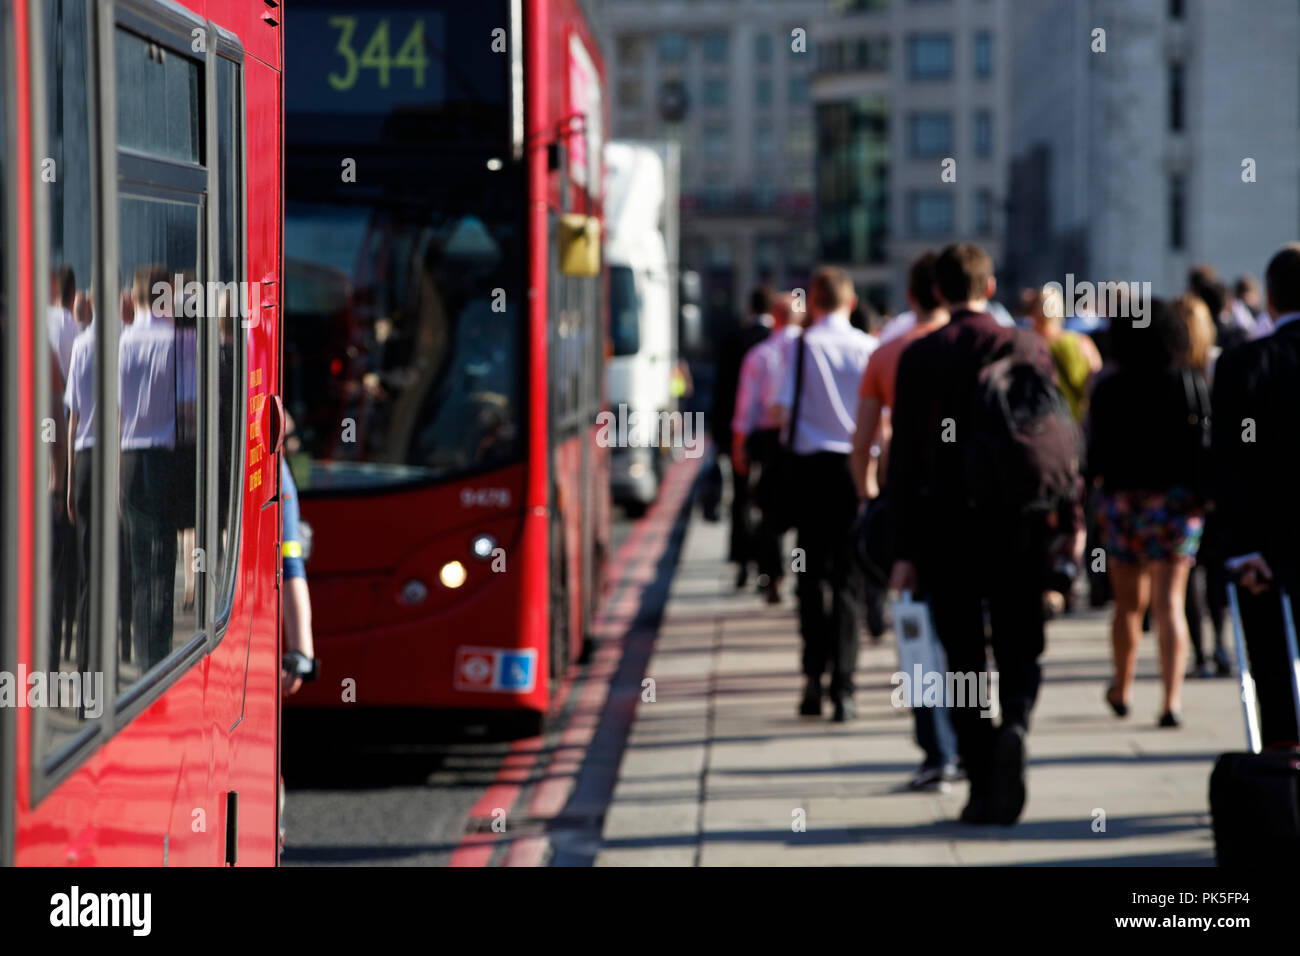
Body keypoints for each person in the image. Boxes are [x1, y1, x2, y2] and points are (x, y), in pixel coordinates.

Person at [887, 243, 1059, 825]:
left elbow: (904, 461)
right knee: (1019, 638)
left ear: (937, 292)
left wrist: (903, 549)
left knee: (961, 653)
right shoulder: (1030, 345)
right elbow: (1051, 436)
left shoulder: (921, 355)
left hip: (947, 524)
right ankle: (1015, 720)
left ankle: (982, 778)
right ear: (989, 288)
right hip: (1019, 519)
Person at [851, 251, 958, 790]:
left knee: (916, 631)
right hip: (972, 506)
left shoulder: (889, 352)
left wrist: (870, 497)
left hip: (910, 502)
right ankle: (968, 739)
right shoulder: (980, 345)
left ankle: (936, 747)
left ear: (914, 296)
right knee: (966, 627)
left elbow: (863, 444)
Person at [1087, 298, 1209, 728]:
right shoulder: (1187, 383)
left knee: (1127, 605)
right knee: (1170, 603)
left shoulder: (1108, 389)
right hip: (1176, 505)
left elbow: (1094, 456)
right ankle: (1170, 700)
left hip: (1124, 504)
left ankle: (1123, 685)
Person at [774, 268, 875, 722]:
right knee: (849, 582)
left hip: (808, 472)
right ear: (850, 303)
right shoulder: (868, 349)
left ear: (813, 301)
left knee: (811, 578)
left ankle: (813, 677)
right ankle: (846, 689)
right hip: (854, 472)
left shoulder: (799, 347)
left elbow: (780, 411)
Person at [1212, 243, 1300, 748]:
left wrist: (1243, 547)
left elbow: (1229, 461)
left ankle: (1285, 770)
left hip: (1266, 548)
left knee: (1273, 672)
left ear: (1270, 299)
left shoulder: (1245, 363)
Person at [118, 265, 179, 669]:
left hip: (127, 459)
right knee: (164, 562)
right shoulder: (177, 341)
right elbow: (190, 406)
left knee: (140, 564)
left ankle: (143, 660)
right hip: (164, 457)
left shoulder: (121, 341)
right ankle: (159, 658)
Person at [1175, 294, 1231, 678]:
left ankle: (1200, 653)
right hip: (1219, 479)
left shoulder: (1170, 371)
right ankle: (1220, 645)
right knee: (1213, 567)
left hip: (1182, 481)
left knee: (1190, 571)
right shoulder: (1220, 364)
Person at [731, 292, 800, 604]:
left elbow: (745, 409)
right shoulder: (809, 349)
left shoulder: (760, 354)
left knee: (770, 513)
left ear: (775, 317)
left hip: (769, 441)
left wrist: (739, 446)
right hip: (803, 438)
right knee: (806, 513)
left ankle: (773, 577)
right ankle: (805, 575)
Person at [710, 287, 776, 587]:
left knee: (739, 497)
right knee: (768, 499)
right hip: (772, 436)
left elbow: (723, 392)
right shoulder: (778, 343)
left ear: (750, 308)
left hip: (739, 432)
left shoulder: (732, 341)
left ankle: (741, 561)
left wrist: (722, 437)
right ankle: (769, 567)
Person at [1026, 284, 1102, 424]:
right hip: (1079, 424)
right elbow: (1096, 379)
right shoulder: (1082, 342)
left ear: (1034, 313)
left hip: (1045, 427)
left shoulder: (1029, 347)